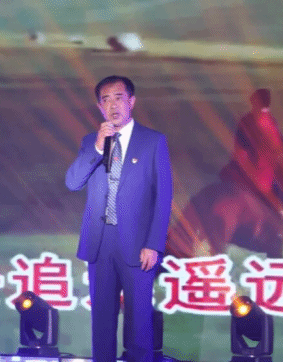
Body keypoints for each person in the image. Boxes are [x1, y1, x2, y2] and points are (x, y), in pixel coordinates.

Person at [65, 75, 172, 362]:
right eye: (106, 100)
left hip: (138, 246)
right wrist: (98, 148)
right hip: (99, 244)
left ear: (131, 102)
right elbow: (73, 182)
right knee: (102, 325)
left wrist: (154, 244)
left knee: (139, 325)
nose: (113, 105)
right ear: (100, 107)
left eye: (119, 98)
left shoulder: (152, 141)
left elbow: (163, 197)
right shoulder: (91, 142)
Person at [219, 88, 283, 209]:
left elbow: (279, 146)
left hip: (264, 167)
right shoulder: (247, 121)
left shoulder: (270, 122)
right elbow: (240, 150)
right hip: (249, 164)